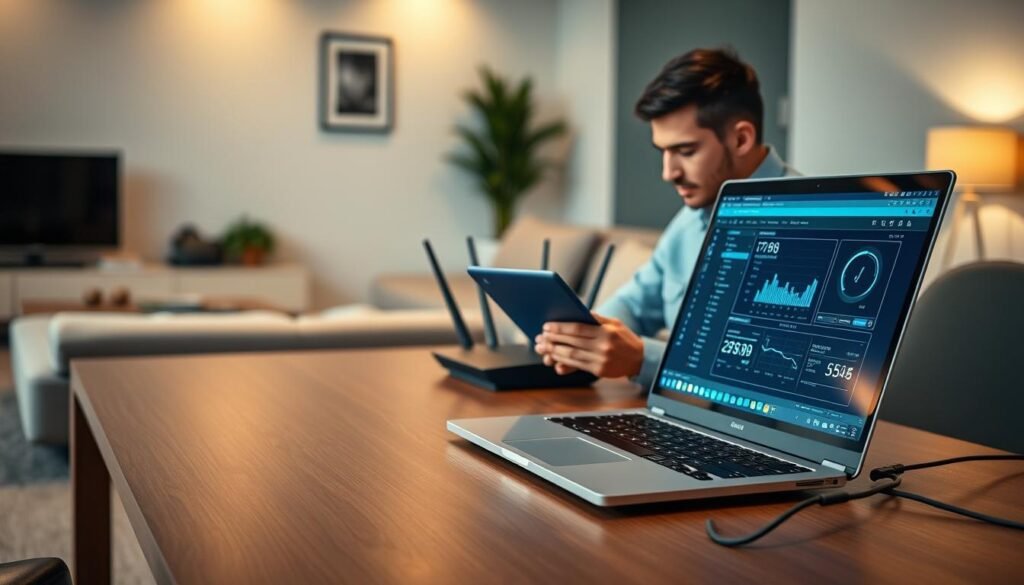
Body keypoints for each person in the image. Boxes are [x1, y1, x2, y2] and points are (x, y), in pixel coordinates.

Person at [534, 47, 798, 388]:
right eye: (663, 152)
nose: (668, 172)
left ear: (741, 139)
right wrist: (589, 337)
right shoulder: (689, 221)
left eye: (685, 151)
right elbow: (634, 301)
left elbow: (773, 374)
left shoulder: (810, 222)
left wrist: (644, 359)